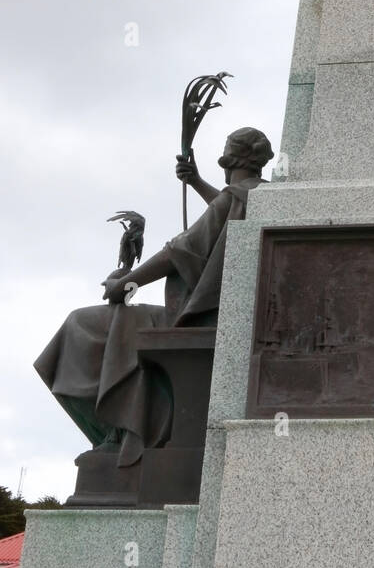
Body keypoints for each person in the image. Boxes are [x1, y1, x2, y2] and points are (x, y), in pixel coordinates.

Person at [35, 127, 273, 467]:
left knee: (79, 326)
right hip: (225, 317)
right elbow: (226, 214)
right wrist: (198, 183)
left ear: (228, 158)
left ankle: (120, 434)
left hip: (197, 320)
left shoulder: (234, 199)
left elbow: (178, 251)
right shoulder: (265, 198)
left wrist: (126, 284)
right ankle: (118, 433)